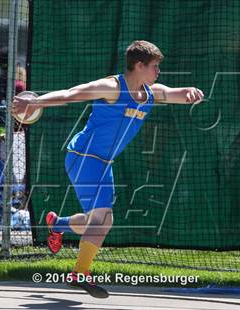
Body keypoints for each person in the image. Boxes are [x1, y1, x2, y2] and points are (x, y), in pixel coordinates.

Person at [12, 40, 204, 298]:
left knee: (96, 220)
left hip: (103, 163)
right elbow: (72, 94)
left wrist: (190, 91)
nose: (158, 72)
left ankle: (59, 224)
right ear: (139, 65)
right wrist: (36, 103)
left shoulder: (149, 93)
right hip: (84, 156)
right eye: (155, 67)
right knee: (104, 219)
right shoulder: (112, 87)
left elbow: (172, 93)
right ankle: (79, 274)